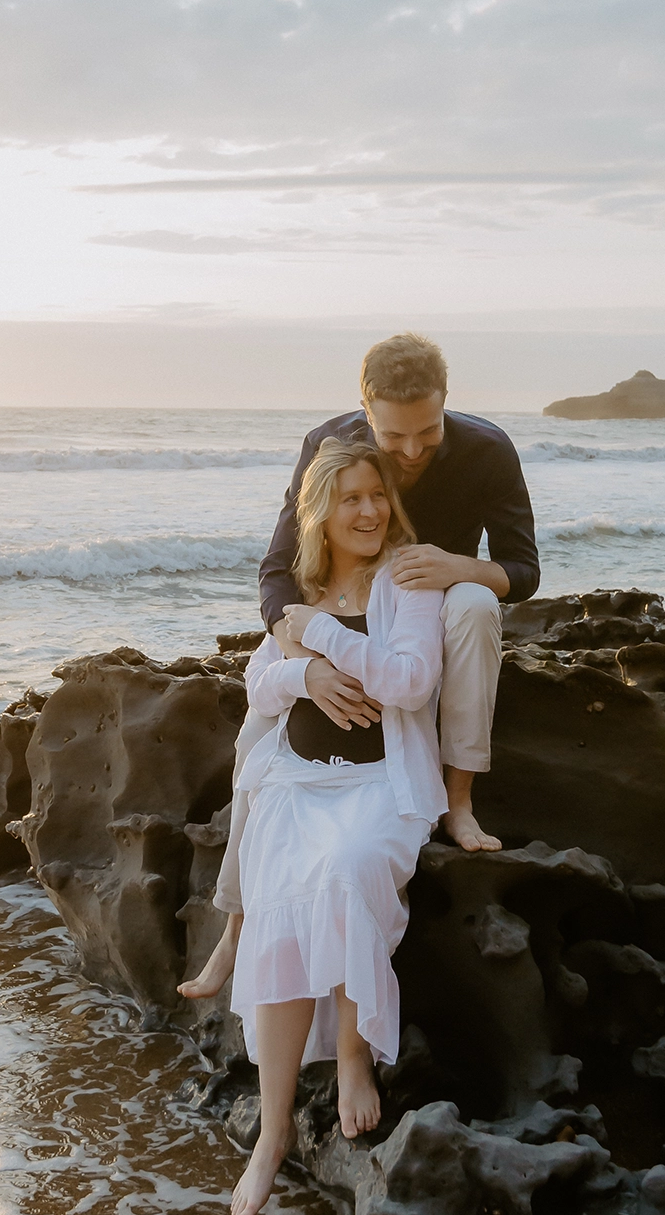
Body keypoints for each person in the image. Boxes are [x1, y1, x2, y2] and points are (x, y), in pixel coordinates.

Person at [179, 331, 538, 1005]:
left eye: (428, 432)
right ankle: (236, 926)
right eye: (394, 435)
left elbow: (524, 570)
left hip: (426, 603)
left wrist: (456, 566)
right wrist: (304, 661)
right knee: (253, 746)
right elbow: (277, 570)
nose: (411, 451)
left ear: (446, 401)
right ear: (364, 410)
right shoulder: (329, 443)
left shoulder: (488, 449)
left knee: (476, 606)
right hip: (335, 614)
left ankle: (459, 798)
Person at [224, 436, 446, 1215]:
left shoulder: (407, 579)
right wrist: (306, 672)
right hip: (297, 783)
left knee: (350, 871)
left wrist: (319, 635)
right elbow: (260, 683)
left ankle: (354, 1056)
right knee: (281, 907)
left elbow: (410, 681)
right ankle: (273, 1129)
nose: (368, 510)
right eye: (350, 498)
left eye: (377, 495)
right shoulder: (305, 587)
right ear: (319, 510)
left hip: (381, 784)